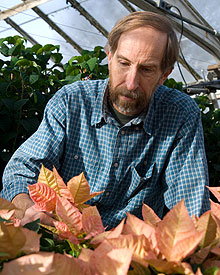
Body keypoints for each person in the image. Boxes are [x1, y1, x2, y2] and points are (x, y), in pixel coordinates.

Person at [1, 11, 210, 229]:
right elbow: (23, 169)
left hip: (132, 250)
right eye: (123, 63)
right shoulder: (72, 102)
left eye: (146, 69)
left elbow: (190, 202)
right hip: (65, 238)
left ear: (164, 74)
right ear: (109, 57)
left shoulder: (179, 114)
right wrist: (28, 208)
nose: (131, 83)